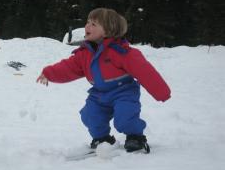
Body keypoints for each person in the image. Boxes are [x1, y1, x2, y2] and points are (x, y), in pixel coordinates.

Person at [36, 8, 171, 153]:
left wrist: (161, 92)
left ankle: (135, 137)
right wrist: (49, 73)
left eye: (94, 24)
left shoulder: (122, 52)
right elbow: (68, 68)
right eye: (88, 22)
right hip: (99, 93)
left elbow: (145, 72)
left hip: (123, 92)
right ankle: (102, 138)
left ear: (108, 31)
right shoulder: (84, 53)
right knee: (90, 116)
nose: (87, 26)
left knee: (124, 118)